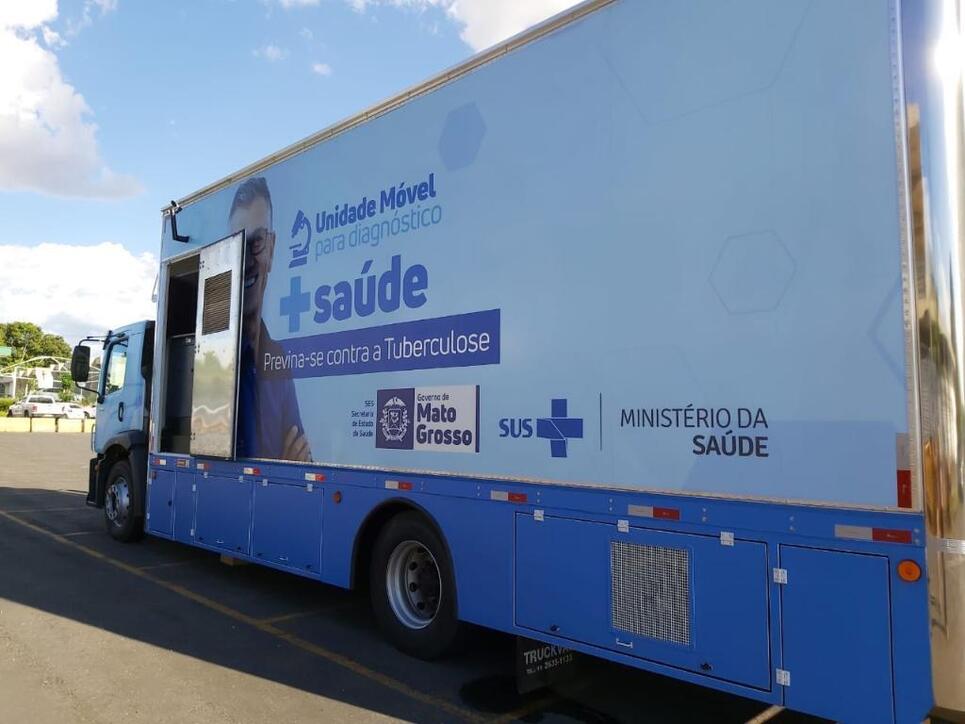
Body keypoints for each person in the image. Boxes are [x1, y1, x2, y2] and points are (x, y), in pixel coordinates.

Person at [230, 177, 312, 461]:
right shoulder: (221, 359)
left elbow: (301, 458)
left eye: (256, 242)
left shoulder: (277, 359)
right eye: (237, 247)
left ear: (272, 247)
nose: (247, 262)